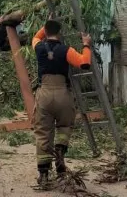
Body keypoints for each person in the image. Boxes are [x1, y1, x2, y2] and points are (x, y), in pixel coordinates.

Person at [32, 19, 93, 185]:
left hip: (44, 93)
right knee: (65, 127)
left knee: (43, 133)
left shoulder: (38, 46)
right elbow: (85, 63)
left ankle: (44, 175)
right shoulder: (67, 50)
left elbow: (37, 36)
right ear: (59, 33)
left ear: (45, 31)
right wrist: (86, 44)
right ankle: (60, 151)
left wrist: (45, 25)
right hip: (62, 94)